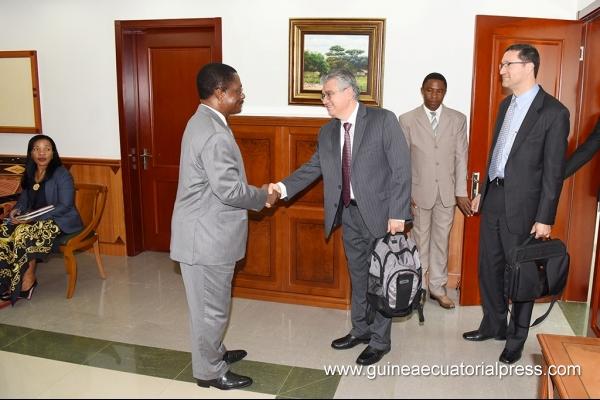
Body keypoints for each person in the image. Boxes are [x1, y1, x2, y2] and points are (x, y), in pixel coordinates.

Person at [268, 69, 411, 366]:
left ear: (349, 92)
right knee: (358, 276)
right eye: (323, 94)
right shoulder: (327, 131)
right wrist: (281, 187)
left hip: (383, 216)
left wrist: (398, 214)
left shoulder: (383, 121)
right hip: (348, 214)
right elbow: (312, 168)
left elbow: (401, 169)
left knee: (381, 280)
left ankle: (380, 341)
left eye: (328, 93)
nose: (324, 100)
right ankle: (360, 329)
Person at [169, 63, 278, 391]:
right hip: (206, 239)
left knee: (209, 306)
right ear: (219, 94)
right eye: (237, 90)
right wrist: (264, 196)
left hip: (205, 233)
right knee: (210, 311)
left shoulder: (202, 119)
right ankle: (209, 371)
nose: (242, 95)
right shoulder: (214, 132)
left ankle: (213, 353)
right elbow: (229, 190)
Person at [462, 44, 570, 365]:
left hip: (526, 209)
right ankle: (492, 324)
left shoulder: (553, 112)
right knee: (489, 267)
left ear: (528, 67)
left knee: (522, 275)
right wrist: (483, 189)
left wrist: (545, 217)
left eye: (507, 64)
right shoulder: (505, 105)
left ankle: (515, 339)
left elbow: (554, 171)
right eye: (501, 65)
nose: (502, 70)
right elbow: (499, 152)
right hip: (494, 197)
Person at [399, 72, 470, 310]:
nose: (434, 95)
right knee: (418, 241)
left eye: (439, 91)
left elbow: (461, 157)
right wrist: (404, 195)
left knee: (442, 241)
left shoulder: (458, 119)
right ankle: (417, 287)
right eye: (430, 90)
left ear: (444, 93)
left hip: (447, 193)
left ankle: (438, 288)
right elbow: (403, 162)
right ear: (422, 90)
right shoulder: (407, 119)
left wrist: (461, 192)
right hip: (419, 192)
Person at [0, 135, 83, 306]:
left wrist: (31, 219)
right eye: (36, 149)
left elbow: (65, 205)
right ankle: (4, 283)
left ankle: (25, 281)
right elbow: (24, 199)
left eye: (46, 148)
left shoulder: (62, 173)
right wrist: (17, 211)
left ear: (53, 153)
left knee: (23, 232)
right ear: (31, 153)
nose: (42, 152)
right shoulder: (31, 173)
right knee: (3, 230)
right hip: (32, 219)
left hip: (59, 221)